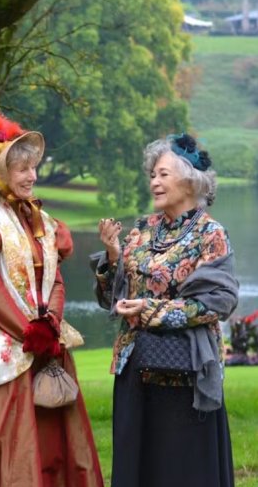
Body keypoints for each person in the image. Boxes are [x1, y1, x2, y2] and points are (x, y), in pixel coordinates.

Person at [0, 110, 103, 487]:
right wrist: (30, 334)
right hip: (4, 351)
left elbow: (55, 280)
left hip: (45, 341)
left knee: (56, 445)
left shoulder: (43, 222)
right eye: (22, 170)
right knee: (6, 446)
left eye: (33, 168)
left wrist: (51, 326)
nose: (32, 177)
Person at [92, 133, 238, 487]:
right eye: (153, 175)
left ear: (189, 180)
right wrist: (112, 258)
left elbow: (217, 302)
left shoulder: (210, 234)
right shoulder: (142, 230)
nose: (154, 182)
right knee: (138, 466)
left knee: (182, 470)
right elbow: (111, 297)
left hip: (185, 373)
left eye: (163, 175)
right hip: (135, 368)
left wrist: (152, 310)